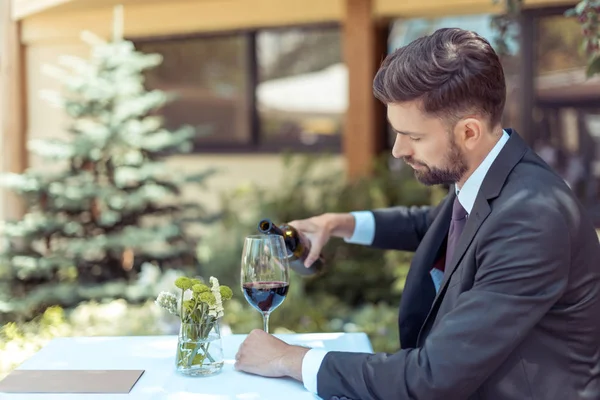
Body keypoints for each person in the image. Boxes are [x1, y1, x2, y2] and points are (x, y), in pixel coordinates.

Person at [234, 27, 600, 400]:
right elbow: (432, 224)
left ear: (469, 132)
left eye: (414, 137)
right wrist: (339, 223)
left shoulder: (531, 220)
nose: (397, 150)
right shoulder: (494, 176)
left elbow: (432, 379)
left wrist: (289, 358)